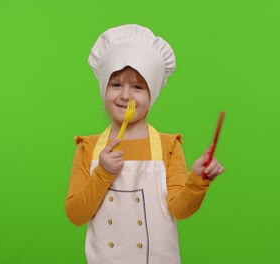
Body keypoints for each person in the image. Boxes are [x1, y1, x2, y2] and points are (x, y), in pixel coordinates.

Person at [65, 24, 225, 264]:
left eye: (138, 87)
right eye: (116, 84)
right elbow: (76, 215)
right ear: (103, 88)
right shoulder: (88, 148)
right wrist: (103, 173)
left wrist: (197, 179)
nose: (125, 95)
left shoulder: (168, 146)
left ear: (153, 94)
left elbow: (179, 210)